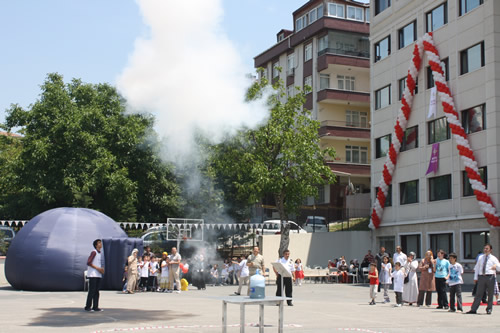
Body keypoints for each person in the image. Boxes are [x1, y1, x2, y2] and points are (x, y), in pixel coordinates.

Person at [467, 243, 500, 314]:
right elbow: (477, 268)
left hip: (490, 277)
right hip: (482, 276)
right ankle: (473, 309)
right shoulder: (481, 257)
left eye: (487, 249)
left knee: (490, 294)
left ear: (490, 250)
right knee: (479, 293)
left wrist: (496, 266)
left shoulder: (493, 258)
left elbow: (499, 268)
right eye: (484, 248)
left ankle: (489, 309)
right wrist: (475, 277)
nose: (485, 250)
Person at [85, 239, 104, 312]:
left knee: (96, 291)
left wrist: (101, 269)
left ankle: (95, 306)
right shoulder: (94, 252)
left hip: (98, 274)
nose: (100, 244)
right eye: (99, 243)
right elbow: (89, 262)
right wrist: (98, 268)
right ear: (96, 245)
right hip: (93, 274)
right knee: (92, 291)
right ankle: (87, 306)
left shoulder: (99, 253)